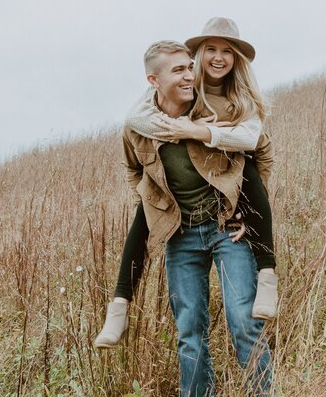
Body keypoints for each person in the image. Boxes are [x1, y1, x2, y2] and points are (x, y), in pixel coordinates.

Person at [98, 34, 273, 395]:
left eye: (189, 68)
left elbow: (259, 150)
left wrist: (248, 213)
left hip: (227, 229)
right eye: (178, 70)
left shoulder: (214, 110)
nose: (189, 76)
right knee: (189, 332)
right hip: (181, 236)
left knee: (243, 319)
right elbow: (134, 171)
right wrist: (154, 202)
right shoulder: (137, 127)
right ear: (153, 81)